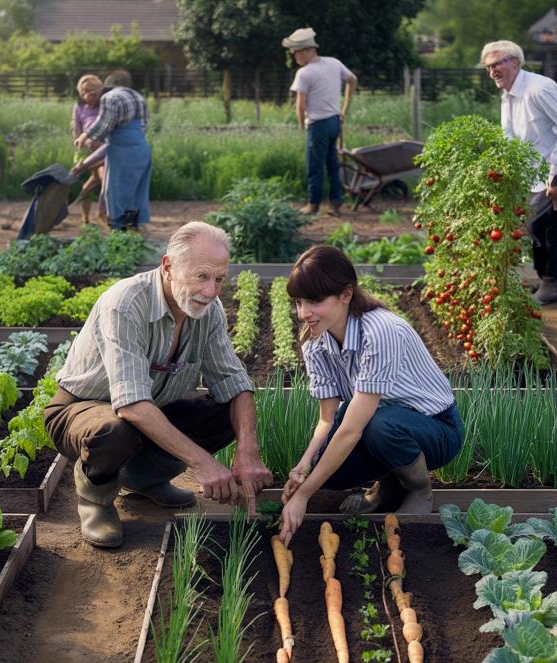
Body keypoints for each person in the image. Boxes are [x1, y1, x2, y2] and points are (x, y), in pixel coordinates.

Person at [43, 221, 273, 547]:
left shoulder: (209, 311)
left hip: (150, 410)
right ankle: (96, 498)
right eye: (201, 276)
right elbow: (131, 406)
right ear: (168, 267)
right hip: (82, 410)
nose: (211, 290)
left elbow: (234, 382)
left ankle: (143, 479)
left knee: (228, 414)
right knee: (114, 430)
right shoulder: (125, 303)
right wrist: (203, 463)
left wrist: (248, 452)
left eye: (219, 279)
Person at [277, 246, 464, 545]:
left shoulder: (380, 331)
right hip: (381, 423)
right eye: (299, 302)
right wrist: (304, 467)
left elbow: (352, 429)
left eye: (314, 301)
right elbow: (327, 420)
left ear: (346, 294)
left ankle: (419, 490)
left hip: (436, 430)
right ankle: (390, 487)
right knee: (330, 470)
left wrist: (304, 495)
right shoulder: (315, 341)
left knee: (378, 424)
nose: (303, 313)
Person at [480, 40, 557, 304]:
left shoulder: (540, 89)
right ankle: (544, 278)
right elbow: (510, 138)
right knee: (536, 225)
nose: (492, 71)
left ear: (516, 62)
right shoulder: (507, 95)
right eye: (488, 67)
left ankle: (552, 283)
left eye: (497, 64)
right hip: (533, 174)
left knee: (551, 226)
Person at [283, 27, 357, 217]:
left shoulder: (304, 73)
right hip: (334, 122)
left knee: (314, 165)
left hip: (317, 124)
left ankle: (313, 204)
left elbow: (300, 105)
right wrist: (344, 110)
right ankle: (336, 203)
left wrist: (302, 126)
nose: (294, 56)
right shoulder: (334, 63)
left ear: (308, 50)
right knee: (332, 164)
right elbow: (352, 79)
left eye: (296, 52)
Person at [73, 69, 150, 231]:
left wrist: (85, 136)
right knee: (134, 192)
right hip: (141, 150)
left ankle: (119, 231)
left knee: (115, 192)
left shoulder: (109, 98)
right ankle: (132, 229)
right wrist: (86, 163)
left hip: (121, 152)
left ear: (107, 86)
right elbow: (143, 128)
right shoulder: (139, 97)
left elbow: (103, 126)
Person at [70, 74, 106, 227]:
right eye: (89, 95)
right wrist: (81, 148)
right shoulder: (79, 108)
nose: (93, 98)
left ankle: (106, 215)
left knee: (104, 179)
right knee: (89, 185)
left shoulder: (105, 106)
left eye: (96, 94)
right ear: (82, 94)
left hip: (105, 152)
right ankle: (85, 220)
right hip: (89, 152)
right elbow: (77, 130)